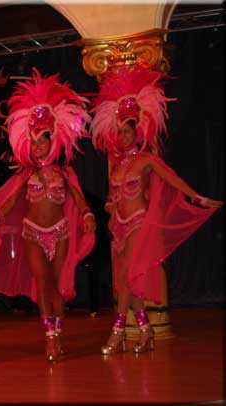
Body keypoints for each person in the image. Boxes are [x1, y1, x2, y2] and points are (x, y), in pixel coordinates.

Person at [0, 69, 95, 362]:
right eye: (33, 142)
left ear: (52, 140)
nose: (37, 146)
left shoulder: (65, 172)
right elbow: (10, 201)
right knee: (43, 282)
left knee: (56, 285)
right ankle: (49, 338)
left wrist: (86, 215)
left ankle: (58, 333)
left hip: (60, 232)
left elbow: (79, 199)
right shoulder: (26, 173)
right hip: (32, 231)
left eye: (41, 141)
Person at [90, 65, 222, 355]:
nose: (123, 136)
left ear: (137, 132)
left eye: (127, 131)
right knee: (128, 280)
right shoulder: (118, 164)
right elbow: (111, 196)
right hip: (119, 227)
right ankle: (145, 330)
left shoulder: (147, 160)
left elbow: (173, 180)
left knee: (125, 279)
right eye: (120, 132)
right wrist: (110, 205)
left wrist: (198, 198)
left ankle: (117, 332)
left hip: (139, 224)